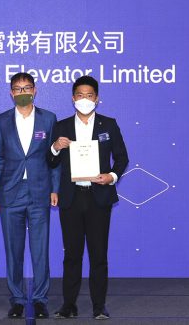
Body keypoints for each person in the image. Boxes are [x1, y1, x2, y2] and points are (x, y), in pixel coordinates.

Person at [50, 76, 129, 320]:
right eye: (80, 95)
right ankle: (68, 305)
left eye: (89, 95)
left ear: (97, 98)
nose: (85, 99)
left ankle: (99, 305)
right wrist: (55, 147)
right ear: (73, 98)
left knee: (98, 254)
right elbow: (50, 162)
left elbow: (122, 157)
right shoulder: (62, 126)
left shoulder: (109, 125)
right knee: (72, 255)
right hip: (71, 198)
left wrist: (112, 176)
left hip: (99, 198)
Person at [0, 72, 60, 319]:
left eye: (27, 87)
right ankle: (18, 300)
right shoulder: (1, 121)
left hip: (40, 192)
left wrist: (54, 188)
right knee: (13, 250)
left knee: (40, 249)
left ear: (35, 90)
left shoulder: (48, 119)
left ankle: (40, 299)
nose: (23, 92)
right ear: (11, 93)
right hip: (10, 193)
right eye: (18, 89)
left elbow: (54, 158)